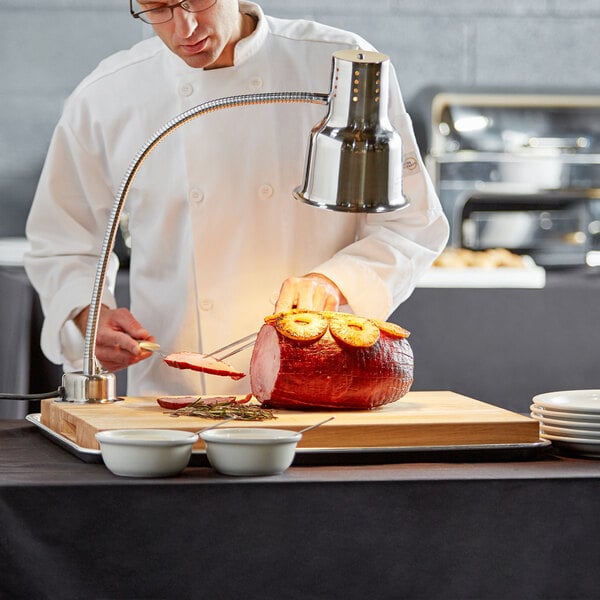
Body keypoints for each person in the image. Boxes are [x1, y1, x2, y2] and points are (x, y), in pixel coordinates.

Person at [25, 0, 449, 397]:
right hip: (170, 402)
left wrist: (333, 283)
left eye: (197, 0)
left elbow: (411, 224)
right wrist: (88, 317)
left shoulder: (341, 68)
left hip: (321, 395)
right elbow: (63, 241)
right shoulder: (108, 94)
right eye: (158, 7)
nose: (184, 28)